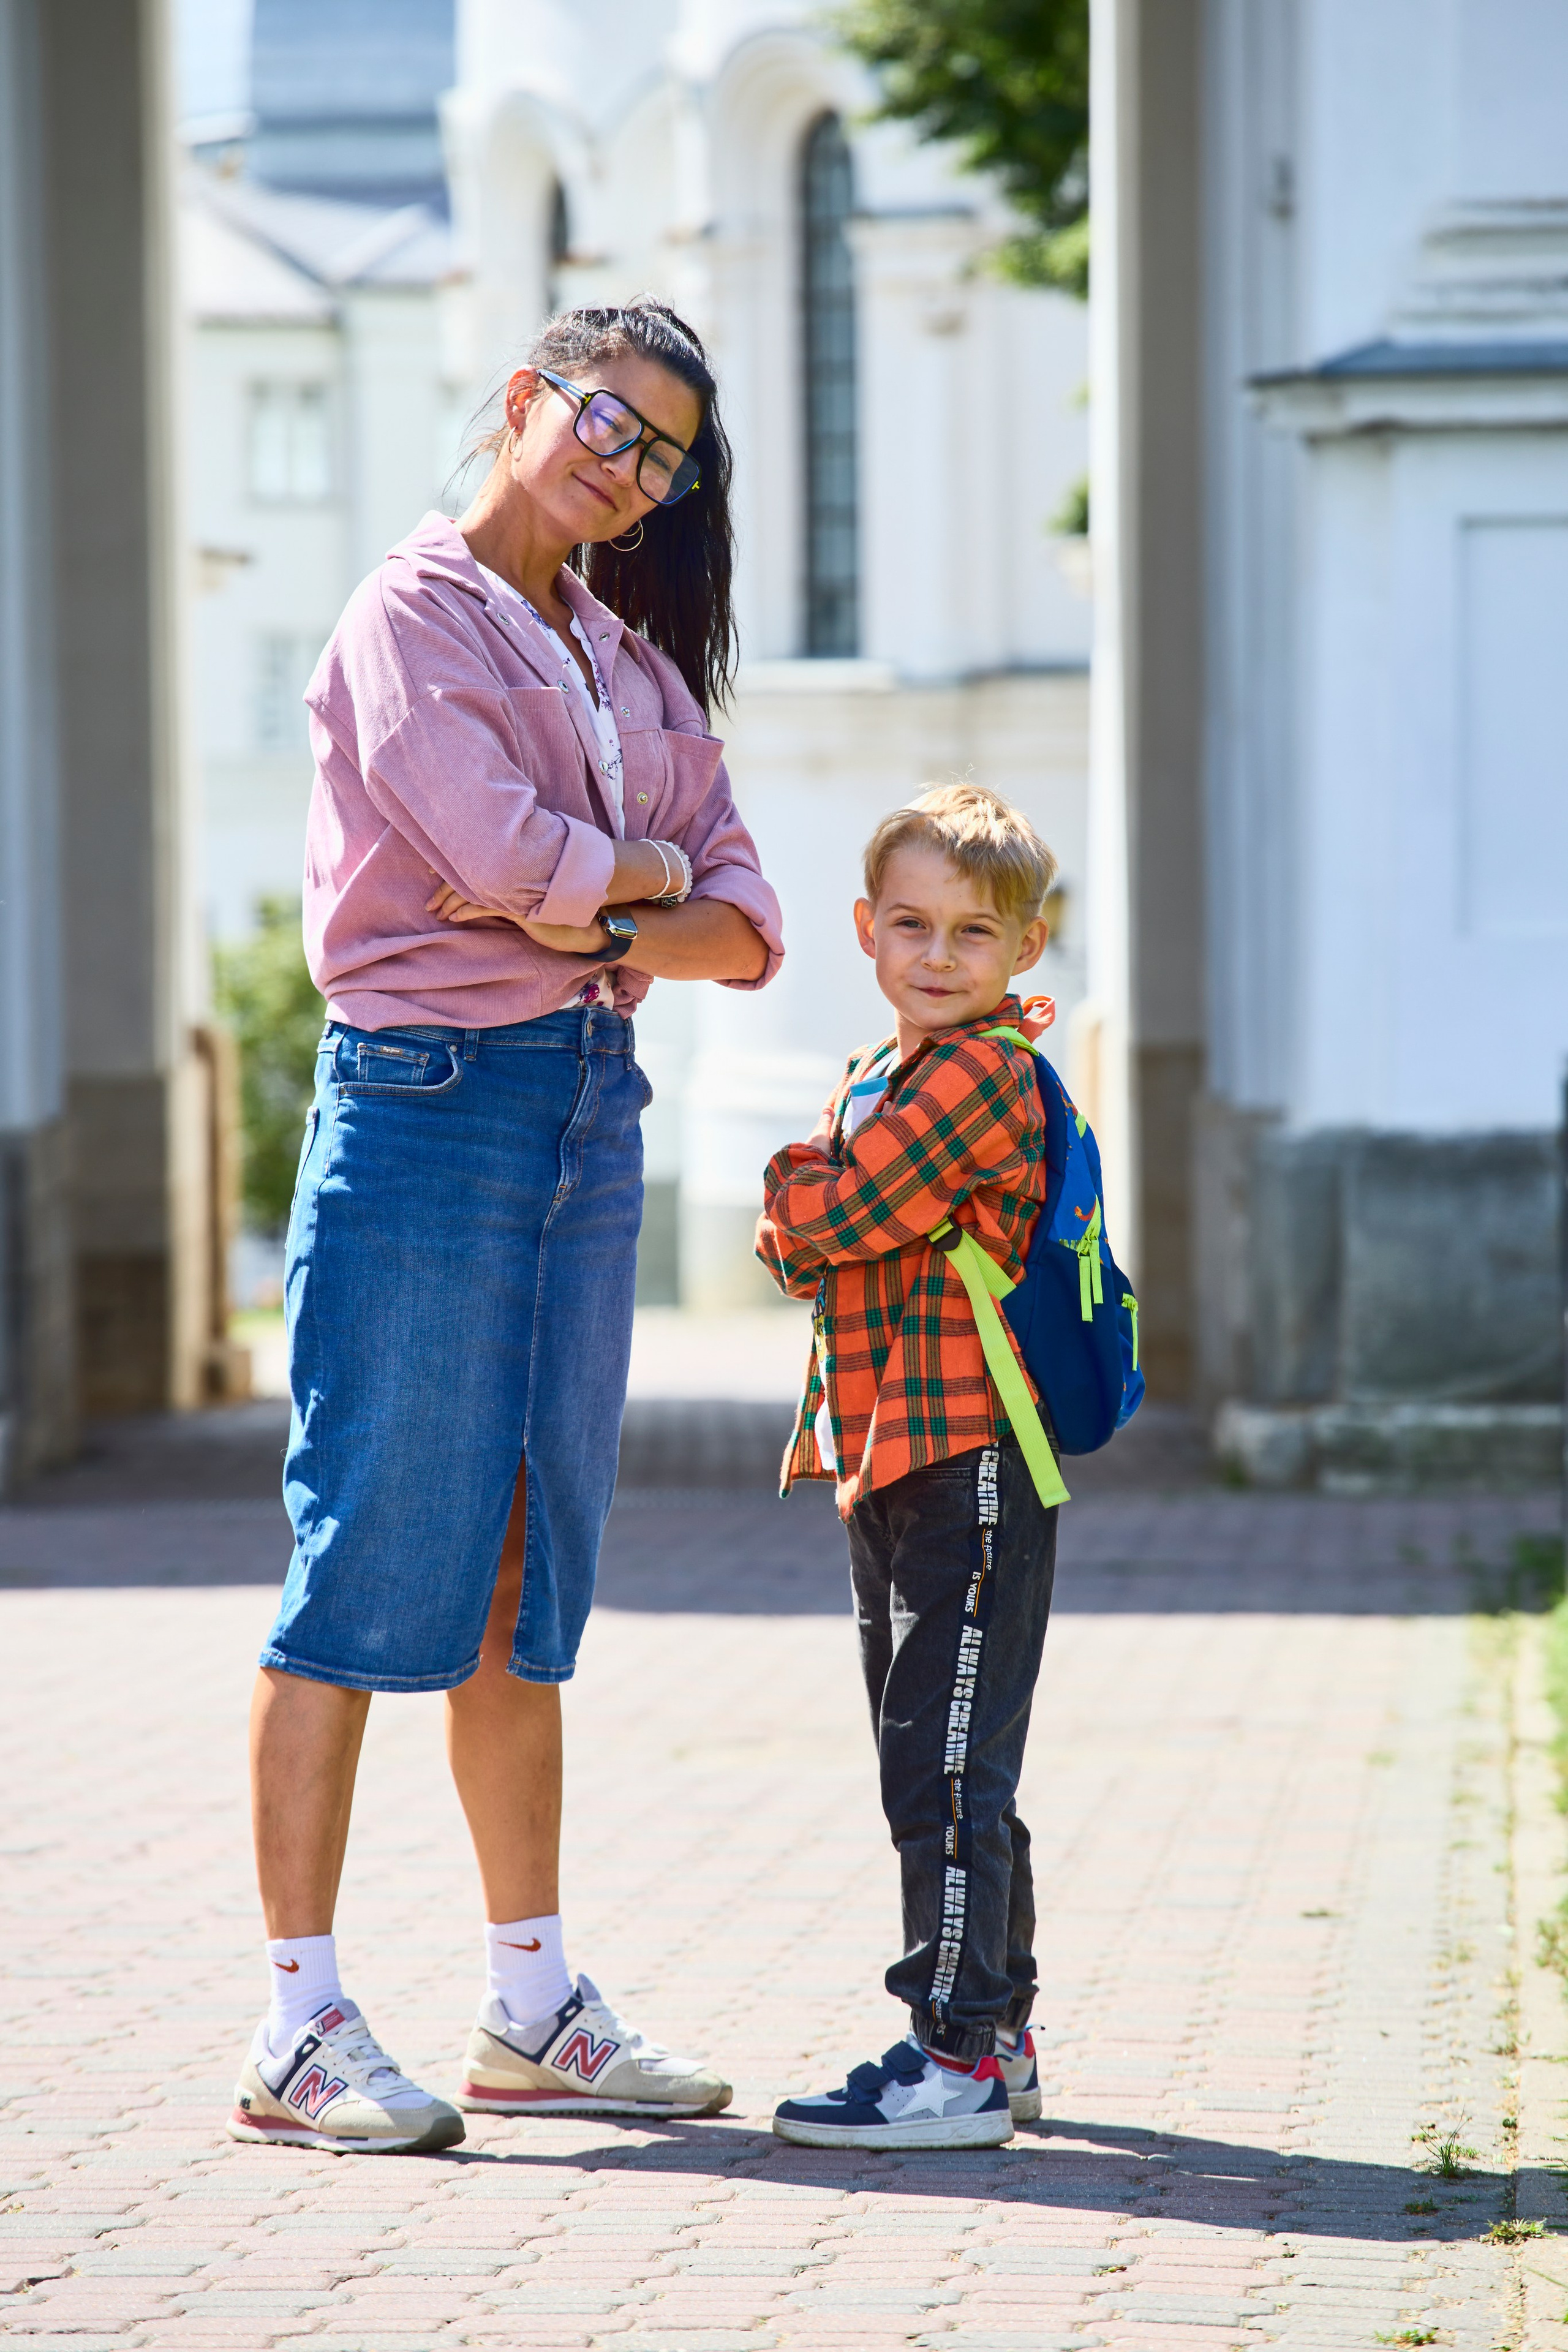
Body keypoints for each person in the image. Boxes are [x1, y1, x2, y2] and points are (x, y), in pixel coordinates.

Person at [228, 299, 783, 2155]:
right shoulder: (410, 614)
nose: (624, 466)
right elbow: (502, 866)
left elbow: (748, 917)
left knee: (520, 1582)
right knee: (367, 1556)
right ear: (529, 399)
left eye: (663, 454)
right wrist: (630, 887)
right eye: (607, 421)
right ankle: (297, 2023)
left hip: (583, 1116)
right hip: (427, 1116)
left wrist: (609, 907)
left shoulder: (626, 661)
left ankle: (530, 2006)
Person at [754, 783, 1060, 2150]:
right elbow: (793, 1248)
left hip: (966, 1460)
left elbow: (841, 1210)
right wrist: (811, 1199)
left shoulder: (983, 1075)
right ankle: (999, 2033)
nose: (939, 956)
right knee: (943, 1759)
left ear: (1024, 950)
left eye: (973, 933)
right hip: (882, 1458)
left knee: (939, 1772)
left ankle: (954, 2060)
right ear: (866, 933)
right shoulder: (878, 1074)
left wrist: (800, 1184)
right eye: (912, 925)